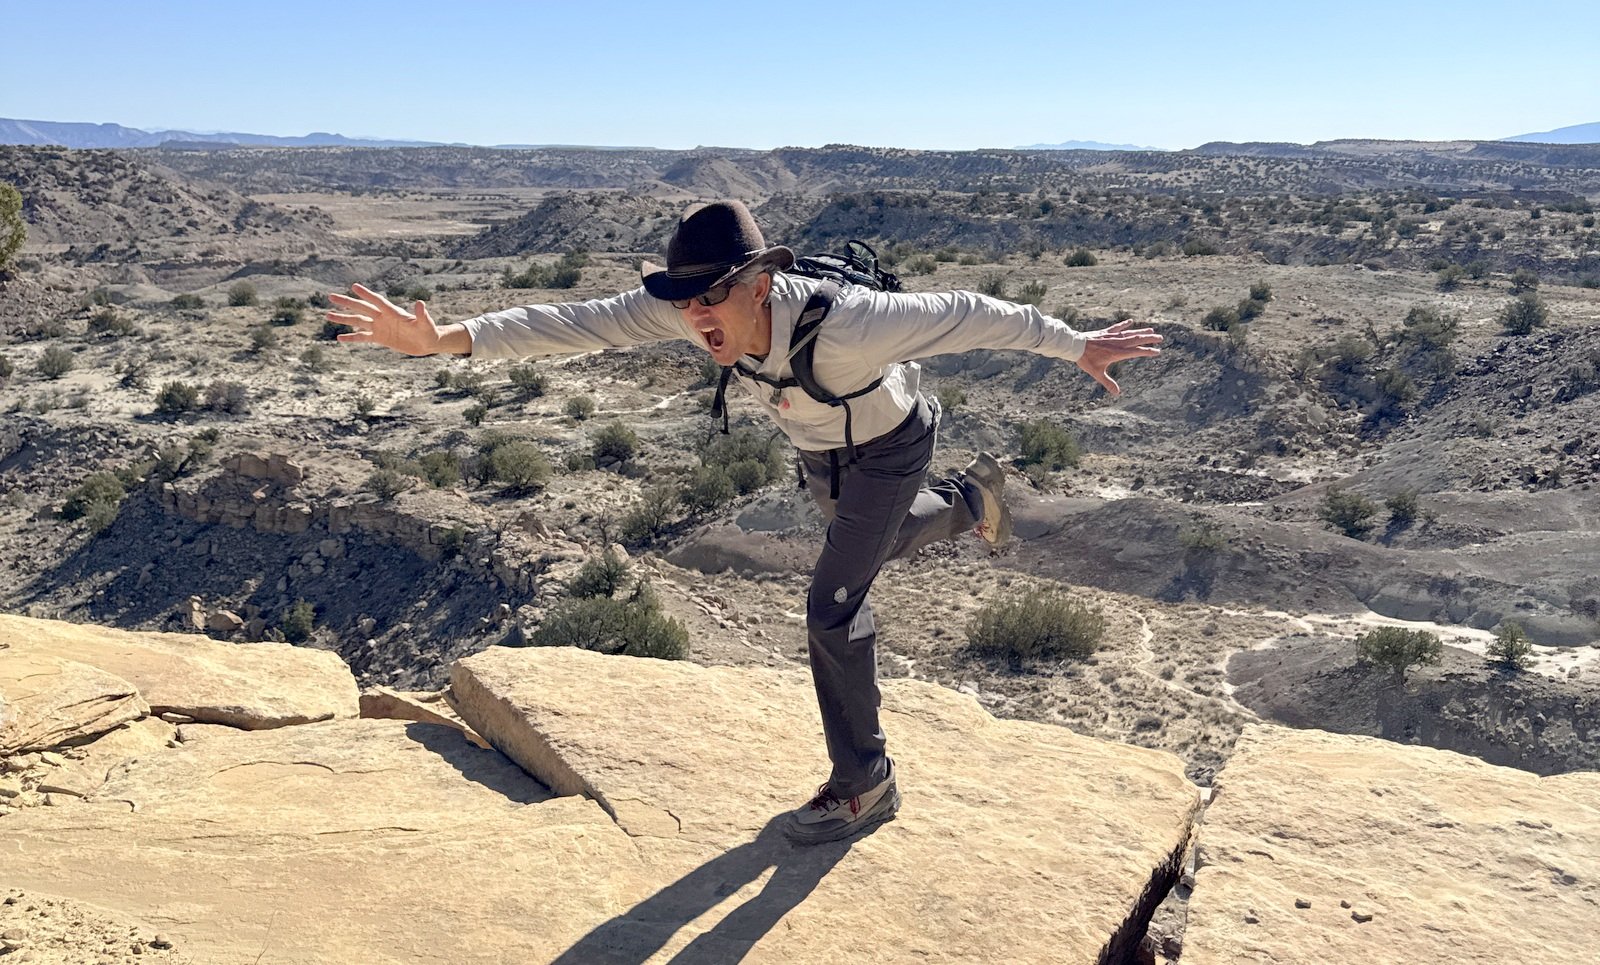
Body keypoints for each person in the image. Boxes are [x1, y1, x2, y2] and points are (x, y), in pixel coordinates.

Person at [327, 200, 1162, 844]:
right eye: (685, 300)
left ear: (759, 284)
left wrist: (1075, 344)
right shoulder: (693, 308)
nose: (696, 316)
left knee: (833, 602)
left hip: (891, 446)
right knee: (875, 546)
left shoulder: (852, 324)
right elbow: (574, 324)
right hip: (822, 454)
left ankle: (864, 781)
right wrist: (448, 339)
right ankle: (973, 501)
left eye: (712, 296)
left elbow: (977, 313)